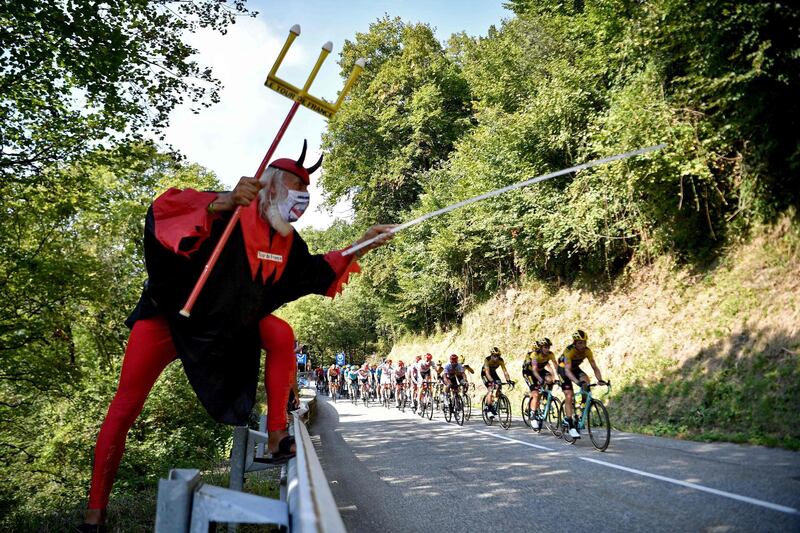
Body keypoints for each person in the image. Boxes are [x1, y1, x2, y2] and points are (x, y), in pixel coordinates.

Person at [80, 142, 395, 530]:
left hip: (229, 323)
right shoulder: (227, 208)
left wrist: (361, 243)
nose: (300, 200)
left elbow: (313, 271)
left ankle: (277, 434)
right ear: (269, 187)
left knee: (281, 334)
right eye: (294, 189)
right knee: (125, 405)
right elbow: (168, 209)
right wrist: (221, 202)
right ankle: (96, 511)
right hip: (171, 318)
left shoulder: (288, 242)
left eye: (305, 193)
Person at [558, 329, 605, 439]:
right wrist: (577, 382)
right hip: (564, 370)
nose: (583, 345)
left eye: (584, 342)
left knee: (586, 381)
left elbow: (594, 366)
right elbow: (568, 371)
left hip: (575, 369)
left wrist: (600, 379)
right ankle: (569, 423)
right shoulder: (569, 351)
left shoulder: (587, 351)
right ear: (574, 343)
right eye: (580, 342)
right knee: (569, 395)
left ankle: (582, 406)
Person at [524, 338, 558, 430]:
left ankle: (546, 396)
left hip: (541, 371)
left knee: (549, 380)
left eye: (549, 347)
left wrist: (557, 377)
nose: (548, 349)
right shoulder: (535, 354)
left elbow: (554, 366)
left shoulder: (550, 354)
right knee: (535, 393)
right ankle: (533, 416)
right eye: (545, 347)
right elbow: (534, 370)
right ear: (541, 348)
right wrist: (540, 380)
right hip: (529, 372)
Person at [482, 347, 511, 419]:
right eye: (494, 356)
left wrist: (508, 380)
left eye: (498, 356)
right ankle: (488, 408)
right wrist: (492, 381)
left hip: (493, 373)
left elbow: (505, 371)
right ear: (491, 355)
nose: (496, 358)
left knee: (499, 386)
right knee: (490, 389)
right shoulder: (487, 360)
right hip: (485, 374)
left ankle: (495, 402)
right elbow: (487, 373)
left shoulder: (500, 360)